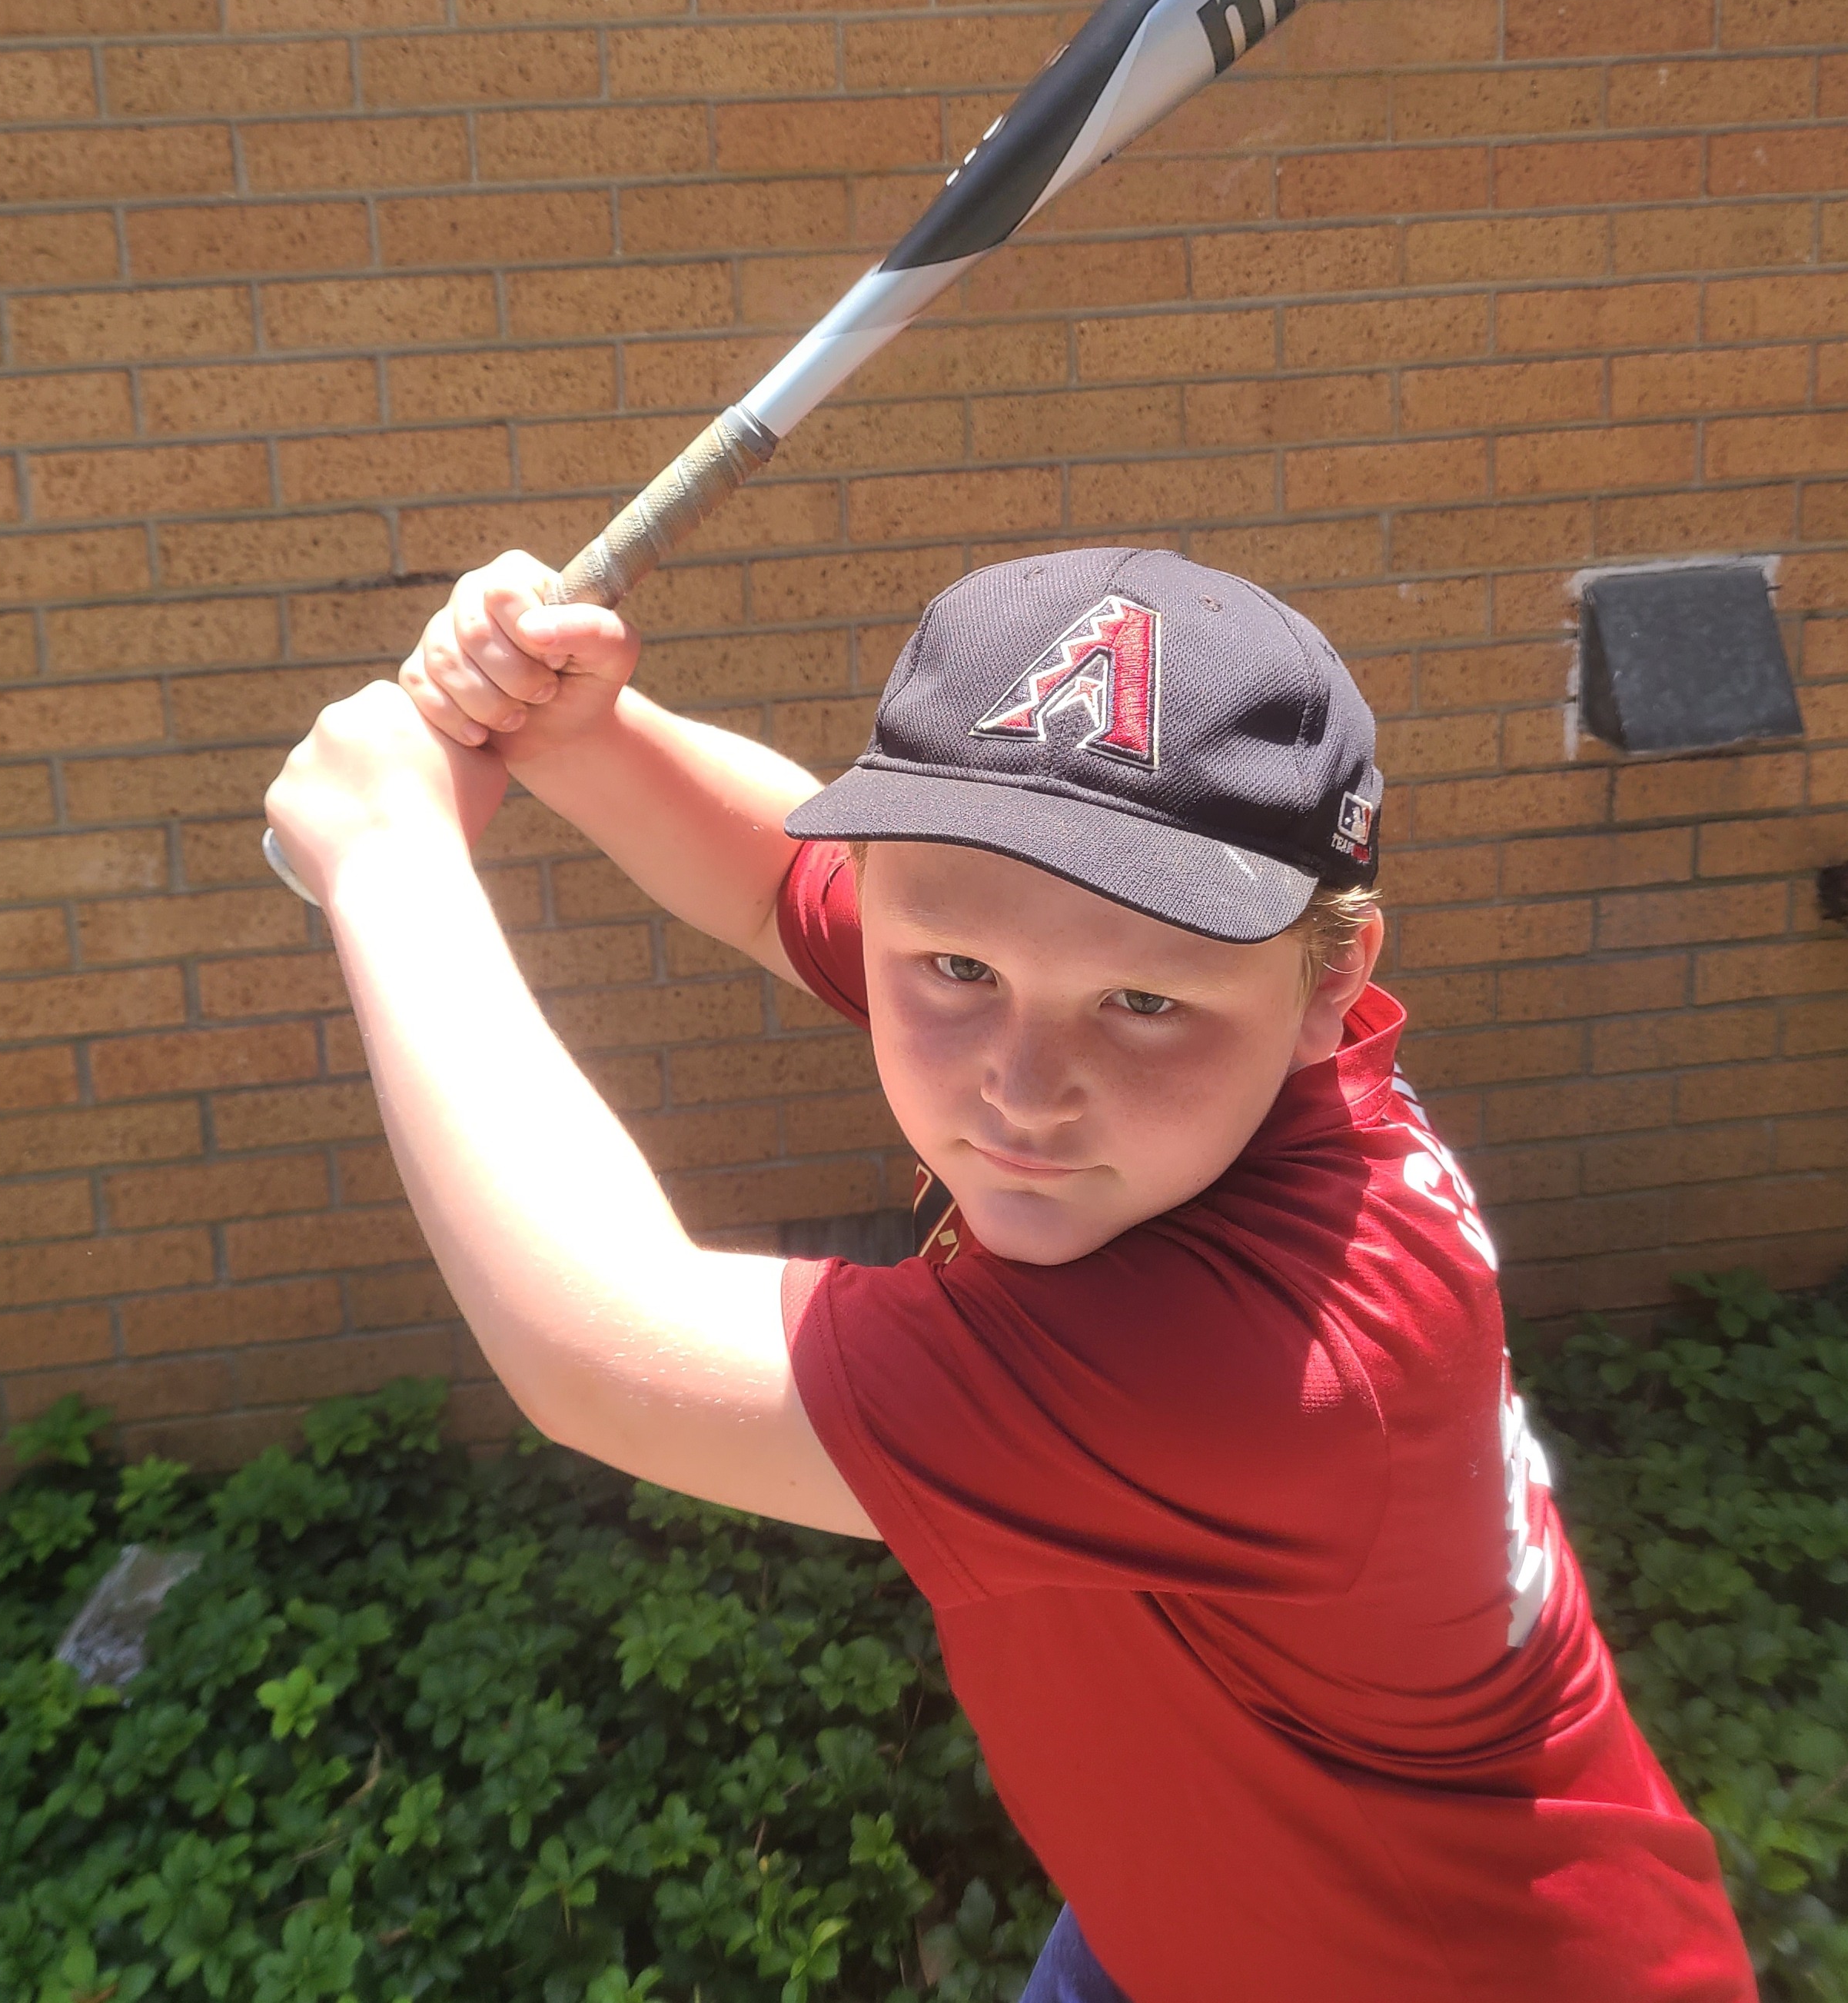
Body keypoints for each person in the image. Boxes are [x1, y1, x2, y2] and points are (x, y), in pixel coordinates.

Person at [265, 541, 1754, 2003]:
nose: (1024, 1092)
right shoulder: (1215, 1040)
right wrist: (579, 731)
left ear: (1334, 978)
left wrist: (390, 859)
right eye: (958, 972)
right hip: (1190, 1899)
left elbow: (597, 1348)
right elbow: (776, 881)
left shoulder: (1262, 1364)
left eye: (1143, 1001)